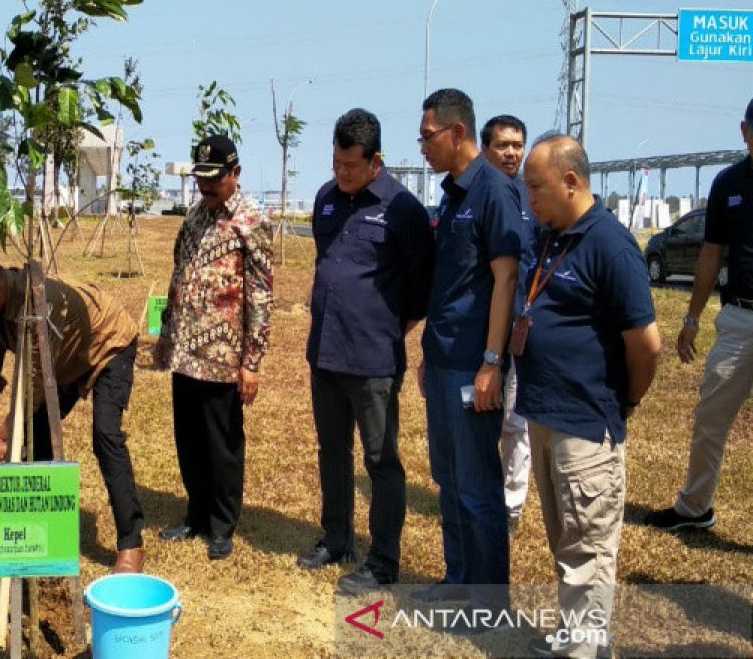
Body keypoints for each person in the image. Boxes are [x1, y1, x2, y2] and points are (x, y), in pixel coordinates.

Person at [518, 135, 660, 658]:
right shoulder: (552, 235)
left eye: (536, 186)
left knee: (590, 551)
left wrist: (627, 402)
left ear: (571, 182)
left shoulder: (610, 245)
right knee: (566, 542)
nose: (529, 198)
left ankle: (586, 648)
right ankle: (574, 634)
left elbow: (646, 346)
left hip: (586, 422)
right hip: (545, 414)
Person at [0, 252, 147, 573]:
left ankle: (131, 543)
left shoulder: (39, 306)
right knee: (35, 436)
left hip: (106, 344)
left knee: (105, 435)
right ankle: (38, 533)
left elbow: (34, 384)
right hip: (63, 362)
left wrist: (2, 436)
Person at [295, 110, 434, 591]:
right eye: (335, 162)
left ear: (376, 161)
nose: (341, 173)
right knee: (332, 450)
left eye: (350, 165)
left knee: (381, 461)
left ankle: (383, 561)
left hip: (373, 361)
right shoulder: (326, 201)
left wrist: (391, 328)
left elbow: (421, 287)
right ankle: (336, 538)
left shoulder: (403, 210)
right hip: (325, 354)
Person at [416, 89, 521, 625]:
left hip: (472, 364)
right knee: (449, 478)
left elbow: (505, 281)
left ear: (457, 133)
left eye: (428, 135)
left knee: (479, 485)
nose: (424, 145)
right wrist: (428, 353)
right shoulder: (452, 194)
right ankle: (458, 581)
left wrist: (490, 362)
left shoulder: (494, 192)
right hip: (443, 357)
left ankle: (488, 598)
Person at [153, 134, 273, 561]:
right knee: (188, 439)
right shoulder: (195, 216)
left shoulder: (251, 220)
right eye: (200, 178)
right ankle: (196, 514)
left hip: (223, 357)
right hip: (186, 352)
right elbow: (177, 276)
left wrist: (252, 362)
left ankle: (222, 524)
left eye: (214, 179)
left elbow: (260, 296)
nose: (206, 187)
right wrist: (167, 335)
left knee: (221, 443)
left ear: (235, 174)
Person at [646, 96, 753, 533]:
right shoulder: (728, 183)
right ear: (745, 131)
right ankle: (695, 508)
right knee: (710, 419)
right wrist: (690, 319)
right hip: (739, 320)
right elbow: (711, 254)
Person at [481, 114, 536, 532]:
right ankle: (479, 494)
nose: (511, 152)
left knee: (517, 421)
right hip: (480, 328)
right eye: (503, 144)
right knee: (482, 417)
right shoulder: (476, 192)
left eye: (518, 144)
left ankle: (511, 506)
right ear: (486, 148)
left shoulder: (532, 197)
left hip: (522, 327)